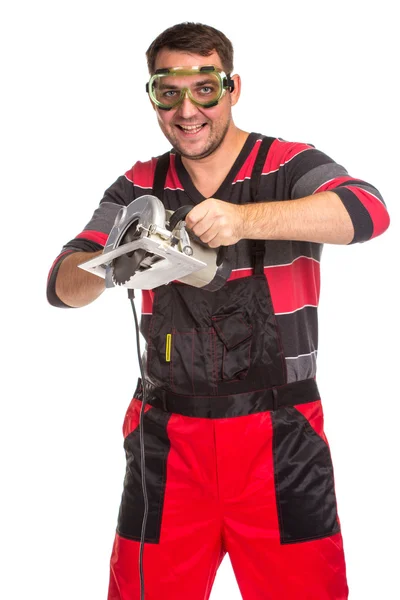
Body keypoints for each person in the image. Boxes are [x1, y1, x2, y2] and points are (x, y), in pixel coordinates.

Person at [47, 22, 390, 600]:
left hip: (280, 439)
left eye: (204, 88)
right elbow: (61, 287)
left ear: (232, 88)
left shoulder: (286, 164)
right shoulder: (139, 186)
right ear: (152, 96)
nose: (188, 110)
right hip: (167, 440)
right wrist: (114, 263)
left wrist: (244, 219)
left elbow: (368, 211)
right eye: (168, 92)